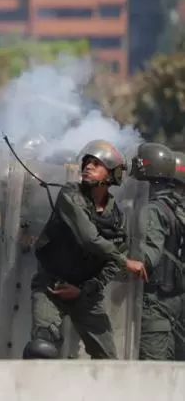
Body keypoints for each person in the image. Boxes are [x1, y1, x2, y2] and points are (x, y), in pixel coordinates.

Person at [23, 140, 147, 359]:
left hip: (84, 294)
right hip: (51, 287)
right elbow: (88, 237)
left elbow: (109, 267)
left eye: (96, 164)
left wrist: (84, 291)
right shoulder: (70, 195)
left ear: (111, 175)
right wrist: (125, 262)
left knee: (108, 361)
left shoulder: (117, 218)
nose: (88, 167)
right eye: (86, 162)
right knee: (42, 348)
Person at [131, 143, 185, 361]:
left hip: (155, 305)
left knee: (153, 380)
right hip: (176, 304)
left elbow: (147, 259)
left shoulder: (154, 209)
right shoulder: (175, 208)